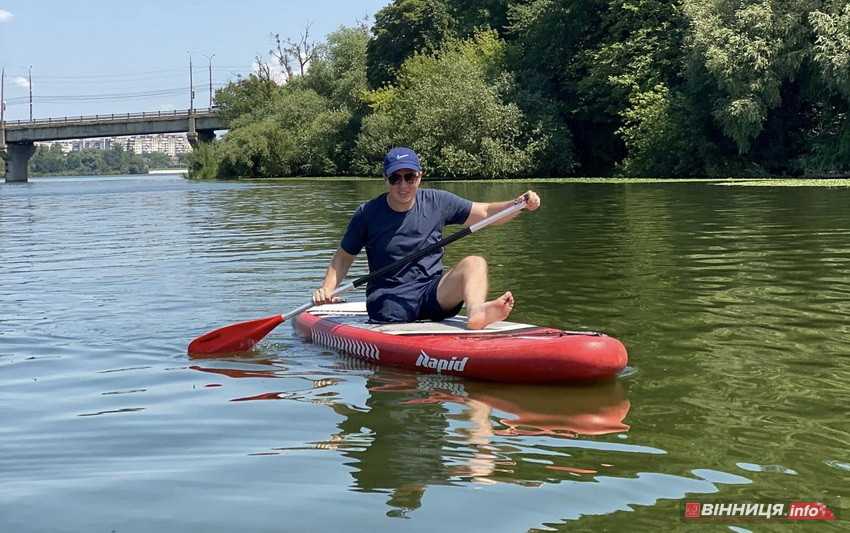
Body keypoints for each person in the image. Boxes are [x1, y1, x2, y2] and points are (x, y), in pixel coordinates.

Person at [313, 146, 541, 329]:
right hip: (390, 300)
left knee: (475, 263)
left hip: (433, 294)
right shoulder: (367, 213)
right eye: (396, 178)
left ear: (419, 177)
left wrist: (517, 204)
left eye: (409, 177)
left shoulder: (437, 201)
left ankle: (476, 313)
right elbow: (343, 257)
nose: (403, 185)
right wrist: (327, 289)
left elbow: (485, 212)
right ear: (386, 179)